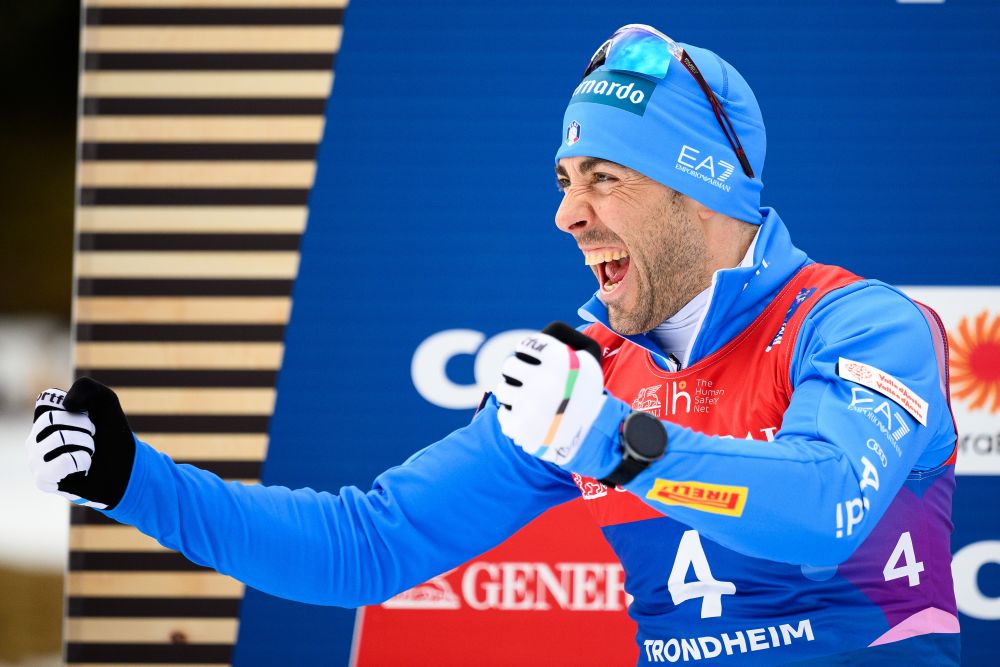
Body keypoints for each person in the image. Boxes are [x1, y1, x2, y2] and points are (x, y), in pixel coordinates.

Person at [27, 24, 959, 665]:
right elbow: (368, 544)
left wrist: (611, 444)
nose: (567, 213)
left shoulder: (859, 323)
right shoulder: (590, 369)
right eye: (564, 178)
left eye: (604, 176)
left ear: (701, 188)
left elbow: (829, 505)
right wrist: (132, 479)